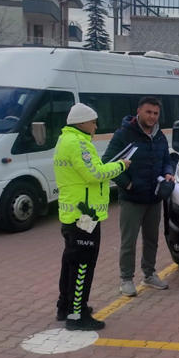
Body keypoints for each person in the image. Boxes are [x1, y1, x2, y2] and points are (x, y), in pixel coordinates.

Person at [53, 103, 131, 331]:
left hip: (72, 213)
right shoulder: (79, 144)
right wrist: (121, 165)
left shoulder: (65, 140)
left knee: (70, 262)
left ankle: (65, 306)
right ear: (82, 123)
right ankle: (77, 315)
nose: (96, 126)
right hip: (84, 216)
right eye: (93, 121)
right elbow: (95, 173)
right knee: (83, 266)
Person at [102, 96, 175, 297]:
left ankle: (149, 274)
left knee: (151, 239)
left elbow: (166, 159)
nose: (152, 117)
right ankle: (126, 279)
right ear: (139, 112)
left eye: (156, 113)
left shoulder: (159, 136)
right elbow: (108, 162)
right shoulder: (124, 134)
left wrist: (168, 171)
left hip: (154, 197)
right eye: (148, 112)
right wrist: (128, 183)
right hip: (131, 198)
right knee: (129, 241)